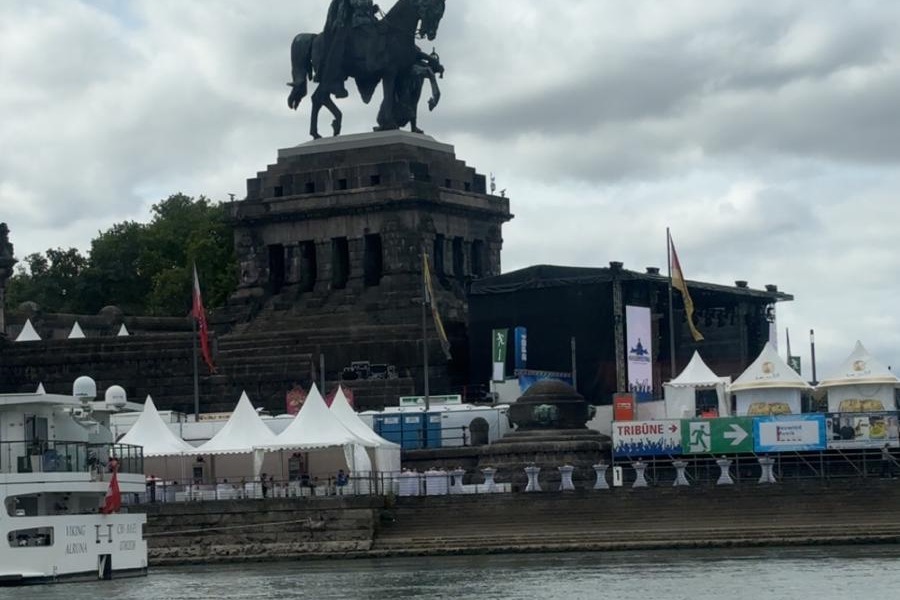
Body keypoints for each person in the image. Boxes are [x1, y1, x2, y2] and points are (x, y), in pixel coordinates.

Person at [319, 0, 380, 98]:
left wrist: (372, 10)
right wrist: (366, 6)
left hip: (368, 21)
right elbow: (355, 4)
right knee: (374, 35)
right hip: (356, 22)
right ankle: (371, 62)